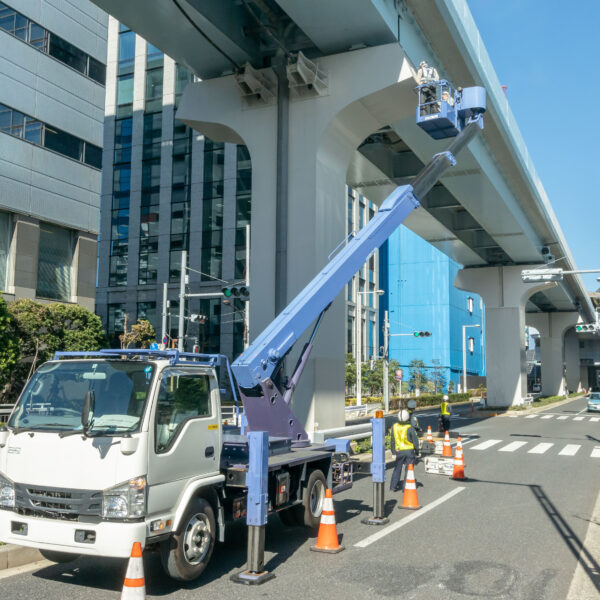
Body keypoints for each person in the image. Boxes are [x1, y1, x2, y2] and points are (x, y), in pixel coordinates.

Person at [390, 409, 420, 492]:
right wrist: (417, 452)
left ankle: (393, 487)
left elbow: (392, 440)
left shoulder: (394, 426)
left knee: (397, 468)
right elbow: (415, 441)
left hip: (399, 451)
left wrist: (393, 452)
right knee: (408, 470)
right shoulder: (409, 427)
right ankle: (405, 488)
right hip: (409, 451)